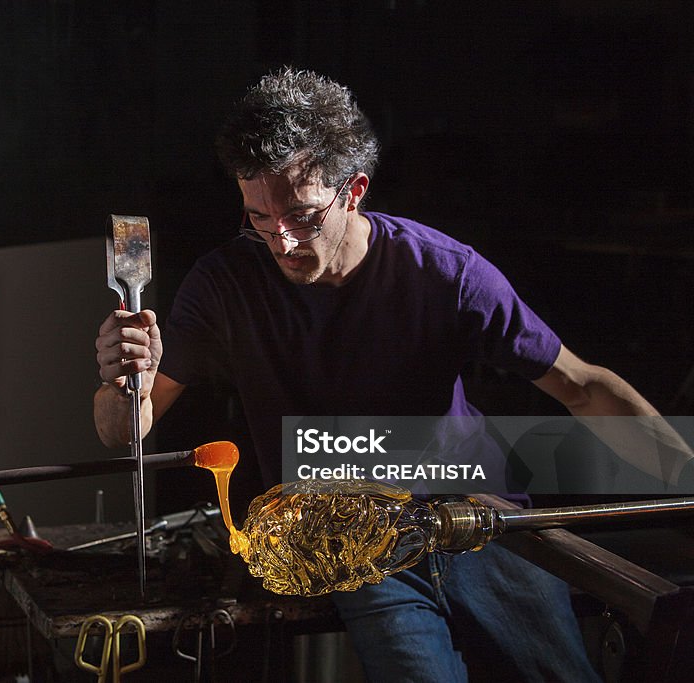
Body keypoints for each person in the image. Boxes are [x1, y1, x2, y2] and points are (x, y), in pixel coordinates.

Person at [93, 67, 685, 682]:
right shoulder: (223, 286)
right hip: (352, 542)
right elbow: (124, 430)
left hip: (479, 520)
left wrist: (683, 469)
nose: (282, 241)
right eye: (259, 220)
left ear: (354, 190)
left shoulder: (445, 273)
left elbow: (582, 387)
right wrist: (120, 380)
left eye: (302, 216)